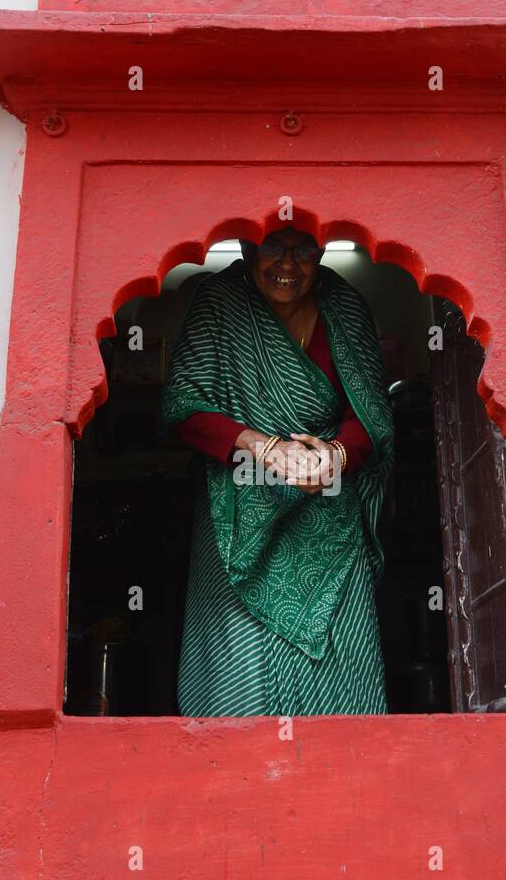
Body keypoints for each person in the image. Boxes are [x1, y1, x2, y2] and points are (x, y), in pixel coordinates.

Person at [161, 227, 394, 715]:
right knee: (240, 664)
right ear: (247, 249)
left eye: (303, 251)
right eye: (272, 249)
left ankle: (343, 775)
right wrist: (263, 447)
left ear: (322, 251)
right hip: (238, 508)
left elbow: (372, 416)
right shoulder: (219, 302)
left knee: (338, 654)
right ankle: (236, 775)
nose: (287, 265)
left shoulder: (345, 306)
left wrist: (337, 456)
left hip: (328, 505)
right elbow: (183, 406)